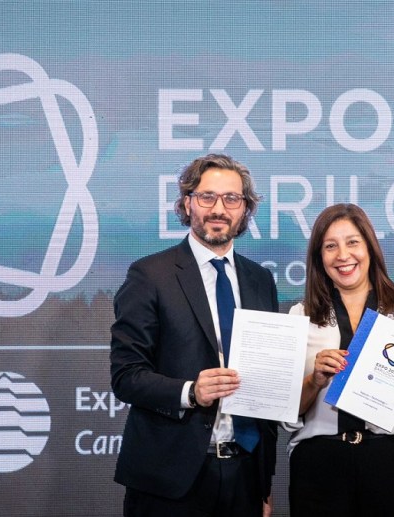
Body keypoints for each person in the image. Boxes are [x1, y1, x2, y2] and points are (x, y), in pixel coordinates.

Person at [110, 154, 279, 517]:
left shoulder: (260, 280)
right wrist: (190, 392)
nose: (219, 209)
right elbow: (126, 376)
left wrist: (264, 482)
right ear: (188, 204)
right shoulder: (150, 276)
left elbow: (267, 384)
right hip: (169, 480)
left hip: (245, 477)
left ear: (245, 209)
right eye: (207, 197)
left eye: (231, 199)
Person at [285, 203, 394, 517]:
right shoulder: (301, 315)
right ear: (319, 257)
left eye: (353, 242)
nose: (343, 255)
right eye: (330, 246)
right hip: (320, 465)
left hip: (392, 462)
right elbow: (288, 409)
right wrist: (314, 379)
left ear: (370, 247)